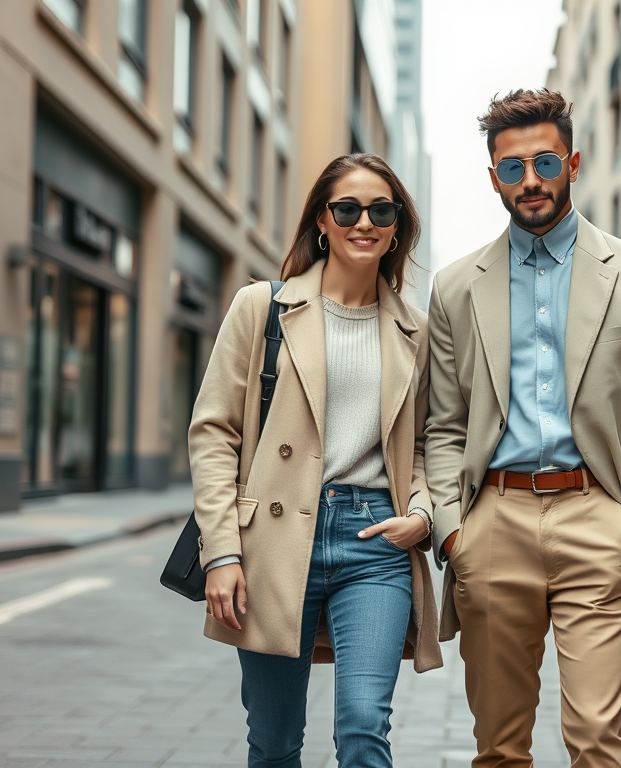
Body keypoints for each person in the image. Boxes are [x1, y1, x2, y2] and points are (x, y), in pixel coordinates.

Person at [425, 89, 621, 767]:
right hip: (492, 524)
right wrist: (452, 527)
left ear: (572, 163)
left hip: (599, 521)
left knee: (597, 742)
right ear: (493, 177)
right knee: (498, 747)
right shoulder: (456, 287)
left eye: (545, 163)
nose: (531, 183)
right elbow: (442, 426)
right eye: (513, 169)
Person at [189, 153, 442, 768]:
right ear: (322, 222)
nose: (364, 221)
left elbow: (433, 442)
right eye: (347, 208)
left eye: (381, 209)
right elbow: (213, 430)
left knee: (363, 727)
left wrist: (424, 513)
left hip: (377, 540)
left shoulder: (417, 330)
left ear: (397, 226)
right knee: (274, 742)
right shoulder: (263, 307)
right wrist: (221, 552)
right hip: (272, 541)